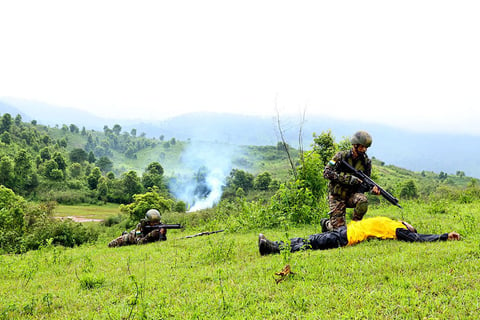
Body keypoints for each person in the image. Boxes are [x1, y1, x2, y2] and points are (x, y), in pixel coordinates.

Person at [258, 216, 461, 255]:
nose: (411, 225)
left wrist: (444, 236)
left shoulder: (398, 230)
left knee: (311, 243)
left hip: (345, 238)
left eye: (411, 227)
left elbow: (420, 238)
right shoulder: (393, 222)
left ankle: (272, 248)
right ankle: (274, 245)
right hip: (345, 230)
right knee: (309, 239)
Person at [322, 130, 381, 231]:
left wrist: (373, 190)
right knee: (338, 231)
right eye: (362, 146)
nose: (364, 149)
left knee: (363, 200)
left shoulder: (366, 162)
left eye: (366, 147)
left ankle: (355, 226)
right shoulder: (340, 156)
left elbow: (365, 183)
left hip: (351, 196)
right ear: (355, 145)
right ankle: (326, 224)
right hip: (337, 196)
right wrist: (348, 179)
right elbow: (326, 173)